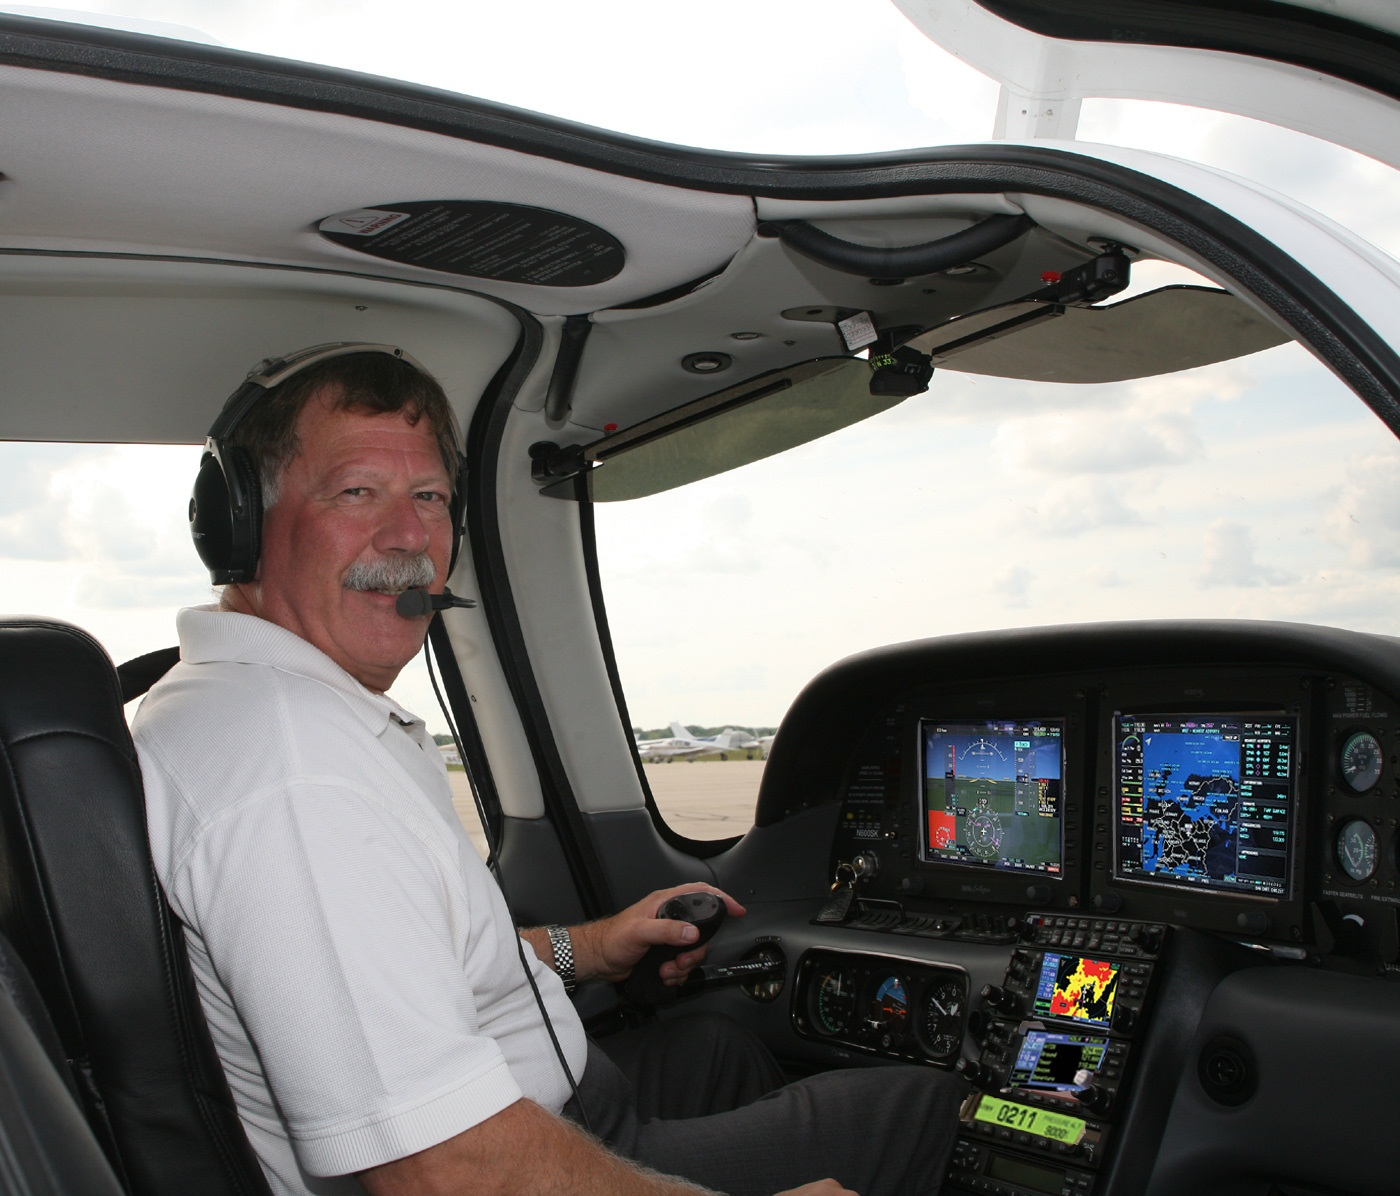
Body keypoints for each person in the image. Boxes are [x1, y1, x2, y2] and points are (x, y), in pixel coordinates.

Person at [133, 348, 962, 1196]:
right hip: (494, 1149)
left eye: (429, 498)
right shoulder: (294, 777)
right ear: (236, 528)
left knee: (721, 1044)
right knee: (924, 1110)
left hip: (549, 1102)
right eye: (356, 493)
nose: (411, 539)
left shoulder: (280, 717)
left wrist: (593, 948)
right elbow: (444, 1168)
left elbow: (411, 963)